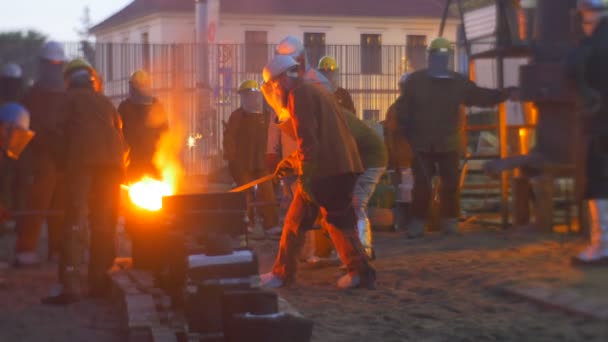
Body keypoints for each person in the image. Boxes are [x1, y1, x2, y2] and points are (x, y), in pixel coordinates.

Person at [260, 55, 375, 289]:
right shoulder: (314, 89)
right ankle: (282, 274)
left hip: (327, 171)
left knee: (338, 221)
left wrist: (306, 172)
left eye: (272, 86)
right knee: (296, 221)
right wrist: (292, 162)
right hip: (335, 166)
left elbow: (308, 138)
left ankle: (362, 273)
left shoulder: (298, 95)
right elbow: (321, 136)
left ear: (279, 81)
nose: (273, 92)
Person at [398, 37, 513, 238]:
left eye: (442, 57)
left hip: (446, 143)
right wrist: (406, 129)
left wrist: (500, 95)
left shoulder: (453, 82)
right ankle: (420, 224)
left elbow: (478, 95)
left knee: (449, 186)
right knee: (423, 187)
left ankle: (446, 223)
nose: (440, 60)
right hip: (424, 144)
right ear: (432, 57)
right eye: (438, 56)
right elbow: (403, 109)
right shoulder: (417, 82)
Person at [42, 59, 127, 305]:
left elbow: (53, 132)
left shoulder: (68, 100)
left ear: (69, 80)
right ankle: (100, 283)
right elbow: (122, 140)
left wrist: (62, 163)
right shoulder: (106, 102)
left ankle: (70, 287)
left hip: (81, 165)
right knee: (104, 223)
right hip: (112, 168)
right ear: (92, 80)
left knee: (75, 221)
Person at [14, 41, 68, 266]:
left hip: (46, 158)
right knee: (49, 205)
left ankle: (33, 251)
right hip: (51, 157)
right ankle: (47, 250)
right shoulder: (67, 94)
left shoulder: (32, 94)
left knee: (49, 206)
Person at [570, 0, 608, 264]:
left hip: (601, 127)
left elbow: (574, 69)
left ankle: (602, 245)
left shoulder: (592, 45)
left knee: (599, 182)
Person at [223, 80, 280, 235]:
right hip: (242, 163)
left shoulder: (267, 116)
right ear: (243, 98)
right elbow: (229, 138)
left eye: (252, 95)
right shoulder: (237, 116)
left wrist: (275, 157)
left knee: (267, 192)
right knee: (245, 196)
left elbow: (275, 137)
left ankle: (271, 224)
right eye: (247, 96)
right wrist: (232, 159)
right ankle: (246, 225)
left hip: (262, 162)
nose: (251, 99)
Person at [118, 70, 168, 183]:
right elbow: (118, 135)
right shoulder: (124, 108)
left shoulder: (156, 106)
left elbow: (165, 136)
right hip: (133, 164)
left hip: (151, 164)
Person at [384, 73, 414, 231]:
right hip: (408, 159)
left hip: (404, 159)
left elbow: (389, 133)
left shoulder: (395, 109)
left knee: (403, 193)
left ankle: (403, 223)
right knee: (406, 193)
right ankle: (407, 223)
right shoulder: (399, 109)